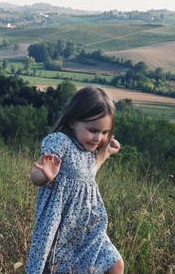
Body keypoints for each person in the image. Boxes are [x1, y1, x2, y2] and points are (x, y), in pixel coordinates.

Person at [26, 87, 125, 274]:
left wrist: (106, 154)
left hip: (88, 229)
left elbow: (89, 174)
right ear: (72, 121)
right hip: (62, 229)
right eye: (93, 130)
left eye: (105, 132)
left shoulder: (89, 151)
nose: (99, 138)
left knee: (115, 263)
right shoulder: (60, 141)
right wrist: (45, 175)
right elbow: (35, 175)